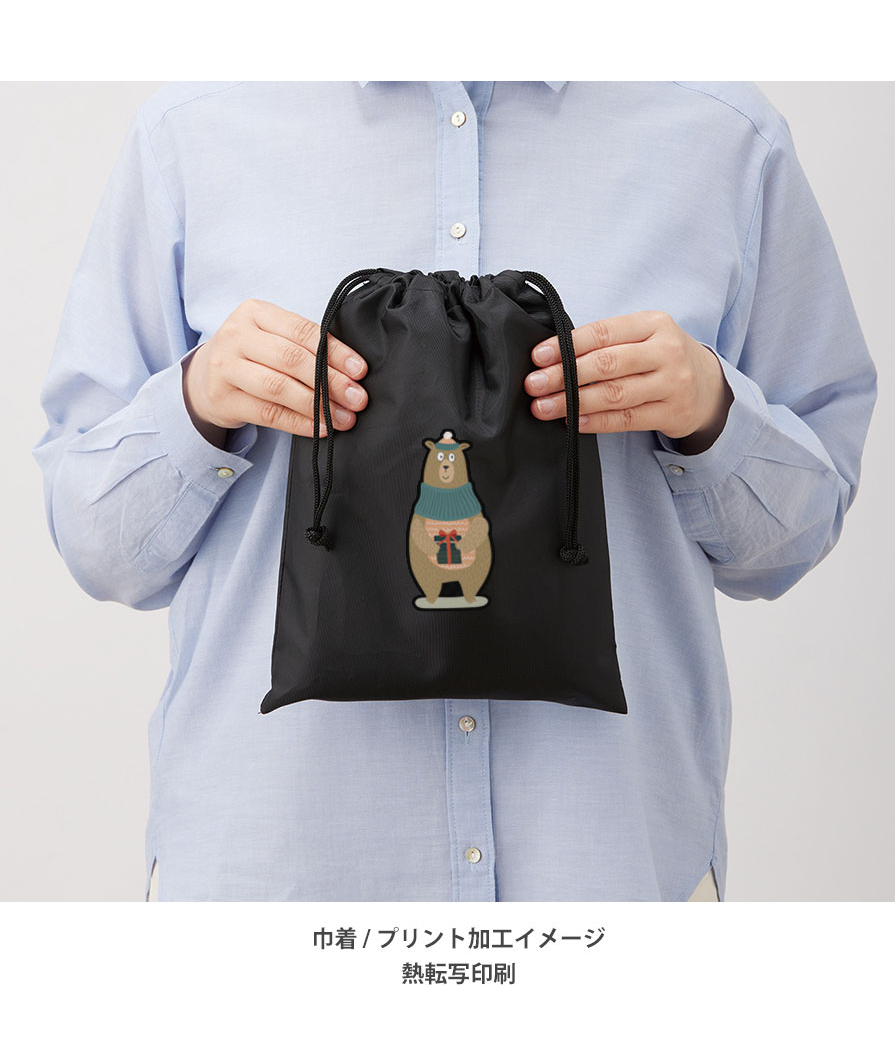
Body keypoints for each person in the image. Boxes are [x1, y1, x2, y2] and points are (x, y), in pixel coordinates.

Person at [32, 81, 877, 902]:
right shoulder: (191, 134)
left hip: (610, 877)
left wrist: (711, 411)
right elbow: (100, 551)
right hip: (268, 885)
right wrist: (194, 401)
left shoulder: (722, 136)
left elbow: (795, 541)